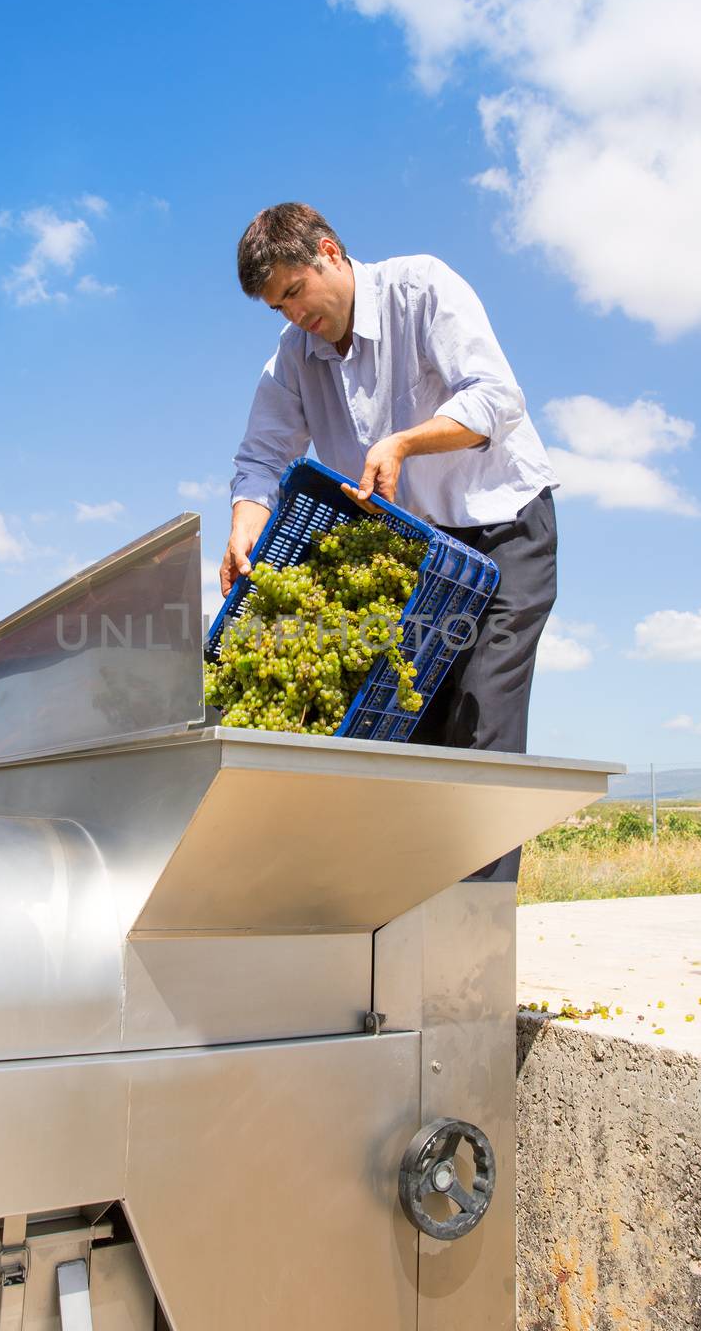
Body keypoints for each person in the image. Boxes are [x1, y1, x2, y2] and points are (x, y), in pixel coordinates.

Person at [223, 202, 558, 881]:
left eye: (294, 292)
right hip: (414, 551)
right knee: (412, 728)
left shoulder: (421, 287)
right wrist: (243, 522)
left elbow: (496, 397)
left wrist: (404, 441)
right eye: (276, 308)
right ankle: (409, 931)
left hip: (498, 528)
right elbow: (260, 458)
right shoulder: (292, 358)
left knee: (479, 722)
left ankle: (472, 943)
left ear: (329, 253)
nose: (293, 315)